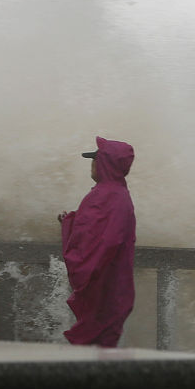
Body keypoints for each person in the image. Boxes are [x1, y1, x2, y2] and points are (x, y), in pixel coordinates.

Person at [58, 136, 137, 347]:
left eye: (95, 159)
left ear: (105, 164)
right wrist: (71, 222)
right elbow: (97, 233)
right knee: (103, 346)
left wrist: (69, 227)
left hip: (103, 287)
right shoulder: (119, 194)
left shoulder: (104, 196)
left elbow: (100, 244)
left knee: (92, 346)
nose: (92, 164)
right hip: (115, 287)